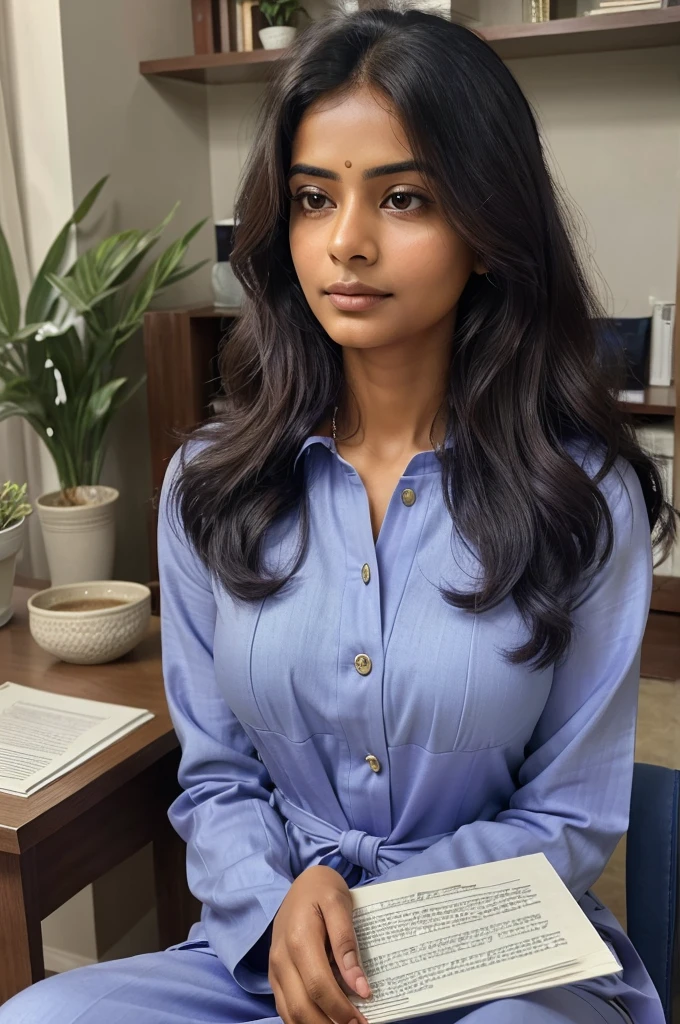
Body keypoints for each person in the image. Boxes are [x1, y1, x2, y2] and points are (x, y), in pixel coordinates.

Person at [2, 3, 677, 1022]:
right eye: (313, 200)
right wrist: (281, 911)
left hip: (491, 952)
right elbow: (219, 778)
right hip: (276, 945)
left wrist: (369, 913)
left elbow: (570, 813)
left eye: (401, 198)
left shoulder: (581, 498)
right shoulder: (208, 485)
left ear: (487, 230)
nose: (345, 243)